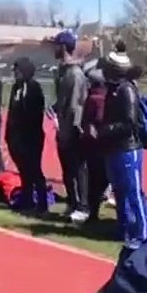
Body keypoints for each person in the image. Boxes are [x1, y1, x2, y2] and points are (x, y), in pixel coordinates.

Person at [94, 48, 147, 254]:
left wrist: (106, 130)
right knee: (120, 191)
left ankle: (143, 232)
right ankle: (125, 229)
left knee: (133, 191)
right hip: (115, 148)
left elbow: (130, 122)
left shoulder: (127, 90)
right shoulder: (113, 90)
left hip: (128, 148)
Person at [49, 29, 90, 223]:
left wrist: (71, 129)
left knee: (78, 169)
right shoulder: (62, 72)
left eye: (56, 45)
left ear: (64, 47)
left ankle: (83, 206)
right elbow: (63, 101)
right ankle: (72, 202)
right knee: (67, 169)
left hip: (73, 130)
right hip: (63, 128)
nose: (53, 49)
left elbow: (76, 105)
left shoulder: (75, 74)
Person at [6, 57, 48, 211]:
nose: (15, 74)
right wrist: (9, 135)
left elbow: (36, 114)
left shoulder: (34, 88)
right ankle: (27, 201)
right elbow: (12, 112)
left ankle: (42, 204)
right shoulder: (15, 88)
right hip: (17, 138)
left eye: (18, 71)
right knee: (24, 171)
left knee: (34, 170)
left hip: (32, 137)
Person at [80, 59, 109, 224]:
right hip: (102, 144)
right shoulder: (103, 98)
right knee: (102, 179)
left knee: (94, 180)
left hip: (93, 145)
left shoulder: (92, 98)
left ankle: (93, 213)